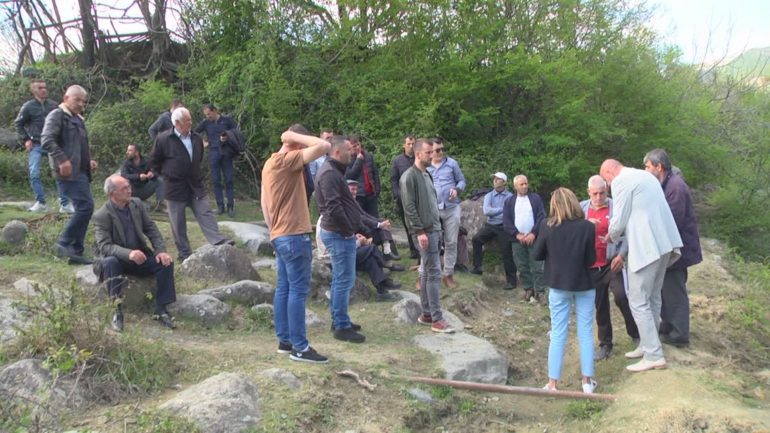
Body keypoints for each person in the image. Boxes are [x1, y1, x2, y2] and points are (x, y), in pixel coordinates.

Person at [599, 159, 683, 372]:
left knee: (637, 300)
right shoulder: (644, 175)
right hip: (664, 243)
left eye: (605, 180)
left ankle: (654, 355)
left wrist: (611, 236)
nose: (607, 185)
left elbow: (619, 219)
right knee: (653, 296)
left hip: (647, 247)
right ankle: (648, 345)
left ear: (609, 172)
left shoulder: (621, 181)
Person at [261, 124, 330, 363]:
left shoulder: (270, 163)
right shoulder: (288, 160)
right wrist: (292, 136)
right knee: (298, 291)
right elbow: (324, 146)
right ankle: (300, 347)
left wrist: (273, 232)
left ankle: (285, 341)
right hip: (294, 235)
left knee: (284, 288)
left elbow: (263, 202)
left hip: (279, 234)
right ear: (298, 143)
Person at [533, 188, 598, 394]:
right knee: (585, 332)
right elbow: (591, 259)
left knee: (558, 333)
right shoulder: (588, 227)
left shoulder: (547, 225)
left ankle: (552, 383)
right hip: (585, 284)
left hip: (558, 285)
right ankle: (587, 382)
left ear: (554, 205)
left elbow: (537, 254)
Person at [93, 175, 177, 332]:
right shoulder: (102, 215)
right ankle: (116, 310)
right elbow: (105, 246)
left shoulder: (136, 204)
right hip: (117, 260)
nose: (129, 190)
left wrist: (160, 251)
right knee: (110, 262)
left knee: (166, 262)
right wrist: (129, 254)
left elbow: (151, 229)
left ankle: (161, 308)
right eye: (124, 188)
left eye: (129, 186)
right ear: (112, 193)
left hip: (140, 256)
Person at [150, 107, 233, 262]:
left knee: (205, 211)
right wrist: (167, 175)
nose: (190, 122)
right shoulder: (163, 139)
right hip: (174, 187)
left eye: (190, 119)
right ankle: (184, 253)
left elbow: (198, 158)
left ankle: (218, 240)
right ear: (177, 123)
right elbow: (155, 162)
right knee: (178, 222)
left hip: (194, 184)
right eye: (187, 120)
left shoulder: (196, 138)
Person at [644, 149, 702, 348]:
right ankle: (668, 325)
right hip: (670, 248)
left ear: (659, 167)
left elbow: (673, 221)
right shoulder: (667, 184)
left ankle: (679, 334)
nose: (646, 170)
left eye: (648, 166)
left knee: (675, 291)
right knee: (665, 289)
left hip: (678, 250)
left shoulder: (675, 187)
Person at [580, 175, 639, 361]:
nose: (599, 197)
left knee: (621, 297)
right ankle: (605, 344)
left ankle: (636, 334)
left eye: (602, 193)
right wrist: (585, 225)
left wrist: (622, 255)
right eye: (595, 194)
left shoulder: (616, 207)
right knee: (600, 306)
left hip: (612, 262)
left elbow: (629, 233)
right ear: (588, 192)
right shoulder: (581, 209)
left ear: (607, 190)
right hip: (592, 266)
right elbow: (572, 232)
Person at [400, 138, 455, 333]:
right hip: (424, 232)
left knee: (426, 273)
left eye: (433, 152)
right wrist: (420, 231)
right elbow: (409, 207)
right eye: (428, 152)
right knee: (433, 274)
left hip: (434, 229)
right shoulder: (409, 177)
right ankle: (437, 320)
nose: (433, 155)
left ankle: (426, 314)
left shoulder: (426, 174)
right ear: (418, 154)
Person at [315, 135, 367, 343]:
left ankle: (339, 319)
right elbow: (333, 207)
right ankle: (341, 326)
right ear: (337, 152)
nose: (352, 153)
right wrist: (347, 230)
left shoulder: (334, 170)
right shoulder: (329, 173)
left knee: (343, 279)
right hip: (337, 233)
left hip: (340, 232)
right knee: (344, 280)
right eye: (348, 150)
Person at [42, 85, 97, 265]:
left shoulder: (77, 119)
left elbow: (77, 146)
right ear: (66, 98)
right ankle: (63, 243)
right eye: (77, 99)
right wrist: (63, 160)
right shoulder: (56, 115)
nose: (81, 104)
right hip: (67, 173)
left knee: (85, 207)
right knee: (85, 207)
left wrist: (88, 161)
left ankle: (76, 251)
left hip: (80, 172)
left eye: (83, 101)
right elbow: (46, 140)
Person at [14, 79, 72, 214]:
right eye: (40, 88)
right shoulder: (28, 106)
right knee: (34, 173)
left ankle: (65, 204)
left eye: (45, 87)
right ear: (33, 90)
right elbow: (18, 124)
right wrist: (26, 139)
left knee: (60, 172)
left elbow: (63, 122)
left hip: (52, 144)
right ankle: (41, 202)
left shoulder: (53, 105)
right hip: (36, 144)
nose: (43, 90)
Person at [426, 137, 466, 289]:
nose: (440, 152)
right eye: (437, 150)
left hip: (451, 207)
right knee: (430, 242)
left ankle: (448, 274)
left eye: (442, 149)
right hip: (432, 209)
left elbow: (462, 181)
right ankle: (425, 274)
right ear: (430, 151)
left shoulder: (452, 163)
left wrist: (457, 189)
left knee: (451, 242)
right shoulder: (426, 167)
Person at [502, 174, 546, 303]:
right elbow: (506, 221)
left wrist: (533, 233)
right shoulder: (509, 201)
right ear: (515, 186)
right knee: (522, 266)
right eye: (522, 184)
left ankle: (540, 291)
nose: (525, 186)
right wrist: (517, 234)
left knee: (538, 266)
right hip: (517, 240)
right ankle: (528, 289)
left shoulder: (535, 198)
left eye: (526, 183)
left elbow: (541, 217)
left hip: (534, 238)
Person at [470, 172, 517, 290]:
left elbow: (510, 212)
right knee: (476, 239)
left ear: (504, 182)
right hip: (491, 225)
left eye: (498, 179)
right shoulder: (489, 195)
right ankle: (477, 267)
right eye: (494, 179)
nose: (495, 181)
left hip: (504, 226)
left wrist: (495, 210)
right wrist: (502, 209)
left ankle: (511, 281)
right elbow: (487, 211)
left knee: (507, 251)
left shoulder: (510, 196)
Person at [194, 103, 238, 216]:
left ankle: (230, 206)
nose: (208, 116)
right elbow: (194, 132)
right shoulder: (206, 122)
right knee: (216, 180)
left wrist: (227, 137)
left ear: (215, 111)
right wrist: (203, 142)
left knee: (229, 179)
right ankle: (220, 206)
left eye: (209, 114)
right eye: (206, 115)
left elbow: (236, 133)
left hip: (226, 152)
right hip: (213, 152)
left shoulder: (227, 120)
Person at [390, 135, 419, 259]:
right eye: (408, 144)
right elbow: (393, 180)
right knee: (408, 225)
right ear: (404, 145)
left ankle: (420, 248)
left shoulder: (420, 158)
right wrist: (398, 195)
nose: (411, 146)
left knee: (419, 223)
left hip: (419, 198)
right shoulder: (397, 161)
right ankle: (413, 249)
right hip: (403, 198)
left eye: (413, 144)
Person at [345, 135, 381, 218]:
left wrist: (377, 190)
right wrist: (358, 160)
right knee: (360, 219)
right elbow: (350, 176)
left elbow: (375, 174)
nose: (357, 147)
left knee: (374, 219)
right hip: (358, 195)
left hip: (371, 194)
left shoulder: (368, 156)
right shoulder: (348, 159)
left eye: (358, 144)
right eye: (354, 146)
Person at [121, 144, 164, 210]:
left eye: (130, 150)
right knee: (125, 181)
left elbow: (156, 171)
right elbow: (124, 175)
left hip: (144, 189)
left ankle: (160, 204)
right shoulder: (126, 163)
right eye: (128, 150)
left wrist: (152, 174)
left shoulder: (146, 161)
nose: (127, 152)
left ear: (137, 152)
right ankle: (136, 202)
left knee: (160, 181)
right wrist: (138, 176)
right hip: (132, 191)